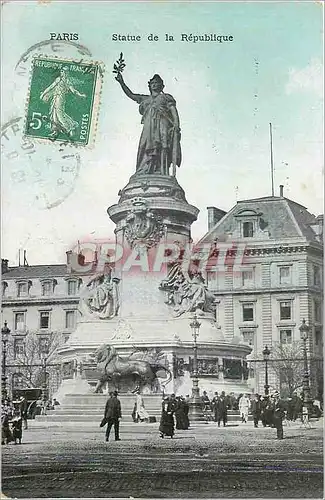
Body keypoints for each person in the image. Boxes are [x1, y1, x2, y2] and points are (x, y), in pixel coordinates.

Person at [115, 72, 181, 176]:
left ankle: (162, 171)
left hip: (162, 124)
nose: (154, 84)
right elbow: (131, 95)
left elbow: (173, 110)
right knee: (143, 145)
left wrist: (177, 125)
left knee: (162, 146)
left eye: (157, 83)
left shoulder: (166, 97)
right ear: (149, 85)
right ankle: (143, 169)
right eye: (152, 83)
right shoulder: (145, 99)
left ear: (162, 86)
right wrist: (121, 82)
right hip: (148, 127)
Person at [40, 67, 86, 139]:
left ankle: (69, 128)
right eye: (61, 71)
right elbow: (51, 87)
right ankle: (55, 131)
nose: (62, 73)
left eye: (63, 72)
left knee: (60, 114)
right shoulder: (58, 79)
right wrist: (43, 94)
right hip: (55, 98)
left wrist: (80, 95)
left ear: (66, 73)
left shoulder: (67, 81)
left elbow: (73, 91)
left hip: (60, 99)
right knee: (54, 114)